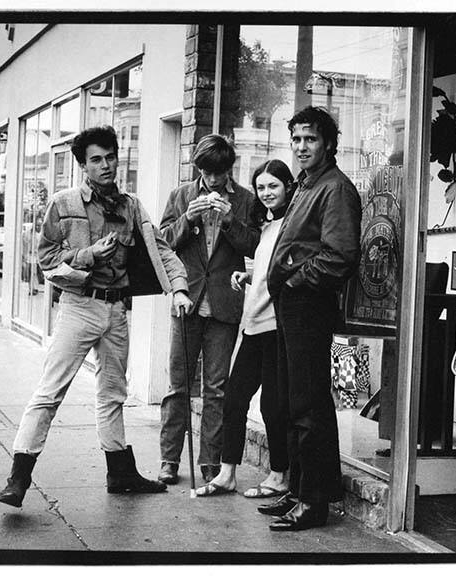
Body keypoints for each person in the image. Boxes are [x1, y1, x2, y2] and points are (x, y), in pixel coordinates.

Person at [0, 125, 192, 508]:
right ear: (83, 166)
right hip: (79, 306)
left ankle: (120, 473)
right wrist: (87, 257)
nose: (105, 165)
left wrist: (180, 286)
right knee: (50, 392)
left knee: (113, 394)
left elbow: (162, 249)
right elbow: (45, 261)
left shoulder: (131, 205)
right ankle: (18, 478)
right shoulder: (64, 203)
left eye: (111, 157)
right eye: (96, 160)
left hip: (117, 310)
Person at [260, 107, 362, 531]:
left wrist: (297, 281)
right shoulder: (307, 184)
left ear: (329, 144)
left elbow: (339, 257)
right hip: (290, 304)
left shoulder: (335, 188)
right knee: (292, 401)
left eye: (311, 139)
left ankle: (314, 502)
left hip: (308, 304)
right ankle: (299, 491)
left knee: (309, 405)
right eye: (297, 139)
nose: (302, 147)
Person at [157, 134, 260, 485]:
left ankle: (210, 464)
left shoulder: (245, 199)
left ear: (228, 169)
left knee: (217, 388)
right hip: (187, 300)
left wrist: (231, 220)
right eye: (206, 172)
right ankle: (169, 459)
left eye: (219, 173)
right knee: (178, 386)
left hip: (223, 305)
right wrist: (187, 218)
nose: (213, 180)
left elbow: (256, 247)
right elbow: (164, 243)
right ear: (198, 168)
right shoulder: (181, 195)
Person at [195, 159, 294, 498]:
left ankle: (280, 476)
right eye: (261, 187)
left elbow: (289, 273)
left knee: (273, 405)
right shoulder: (267, 227)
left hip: (275, 326)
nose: (266, 193)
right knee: (234, 400)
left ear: (288, 186)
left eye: (273, 186)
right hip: (253, 324)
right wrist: (248, 275)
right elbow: (269, 269)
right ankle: (227, 474)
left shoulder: (291, 226)